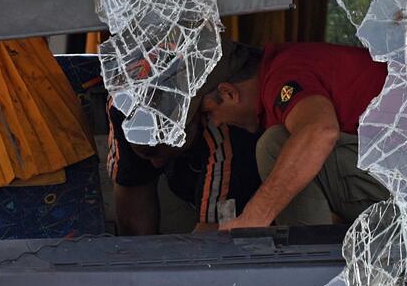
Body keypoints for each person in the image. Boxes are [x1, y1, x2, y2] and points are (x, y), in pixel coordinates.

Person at [200, 41, 391, 230]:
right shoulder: (285, 65)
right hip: (398, 175)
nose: (215, 123)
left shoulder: (283, 74)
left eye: (210, 113)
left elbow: (320, 131)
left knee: (275, 144)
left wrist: (254, 216)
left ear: (228, 93)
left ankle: (307, 257)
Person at [107, 43, 264, 235]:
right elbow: (131, 193)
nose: (156, 165)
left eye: (161, 154)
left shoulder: (220, 121)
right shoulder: (120, 105)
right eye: (148, 155)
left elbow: (214, 232)